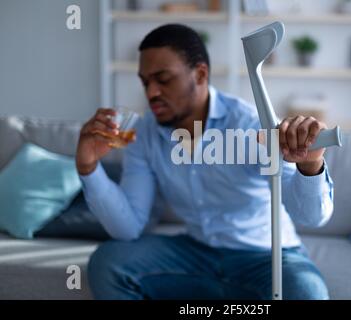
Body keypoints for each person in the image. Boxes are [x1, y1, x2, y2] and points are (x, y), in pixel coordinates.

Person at [76, 24, 334, 300]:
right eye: (145, 81)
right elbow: (128, 228)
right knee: (108, 263)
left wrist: (309, 167)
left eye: (163, 79)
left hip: (266, 256)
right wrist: (88, 168)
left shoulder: (251, 125)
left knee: (308, 292)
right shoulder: (145, 134)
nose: (150, 93)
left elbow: (312, 217)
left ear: (200, 74)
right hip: (196, 254)